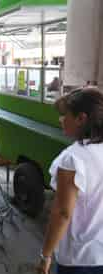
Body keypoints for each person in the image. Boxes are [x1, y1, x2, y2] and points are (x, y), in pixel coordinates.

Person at [38, 87, 103, 274]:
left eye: (64, 114)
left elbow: (63, 212)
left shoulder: (73, 159)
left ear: (81, 119)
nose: (60, 119)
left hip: (80, 258)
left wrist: (46, 255)